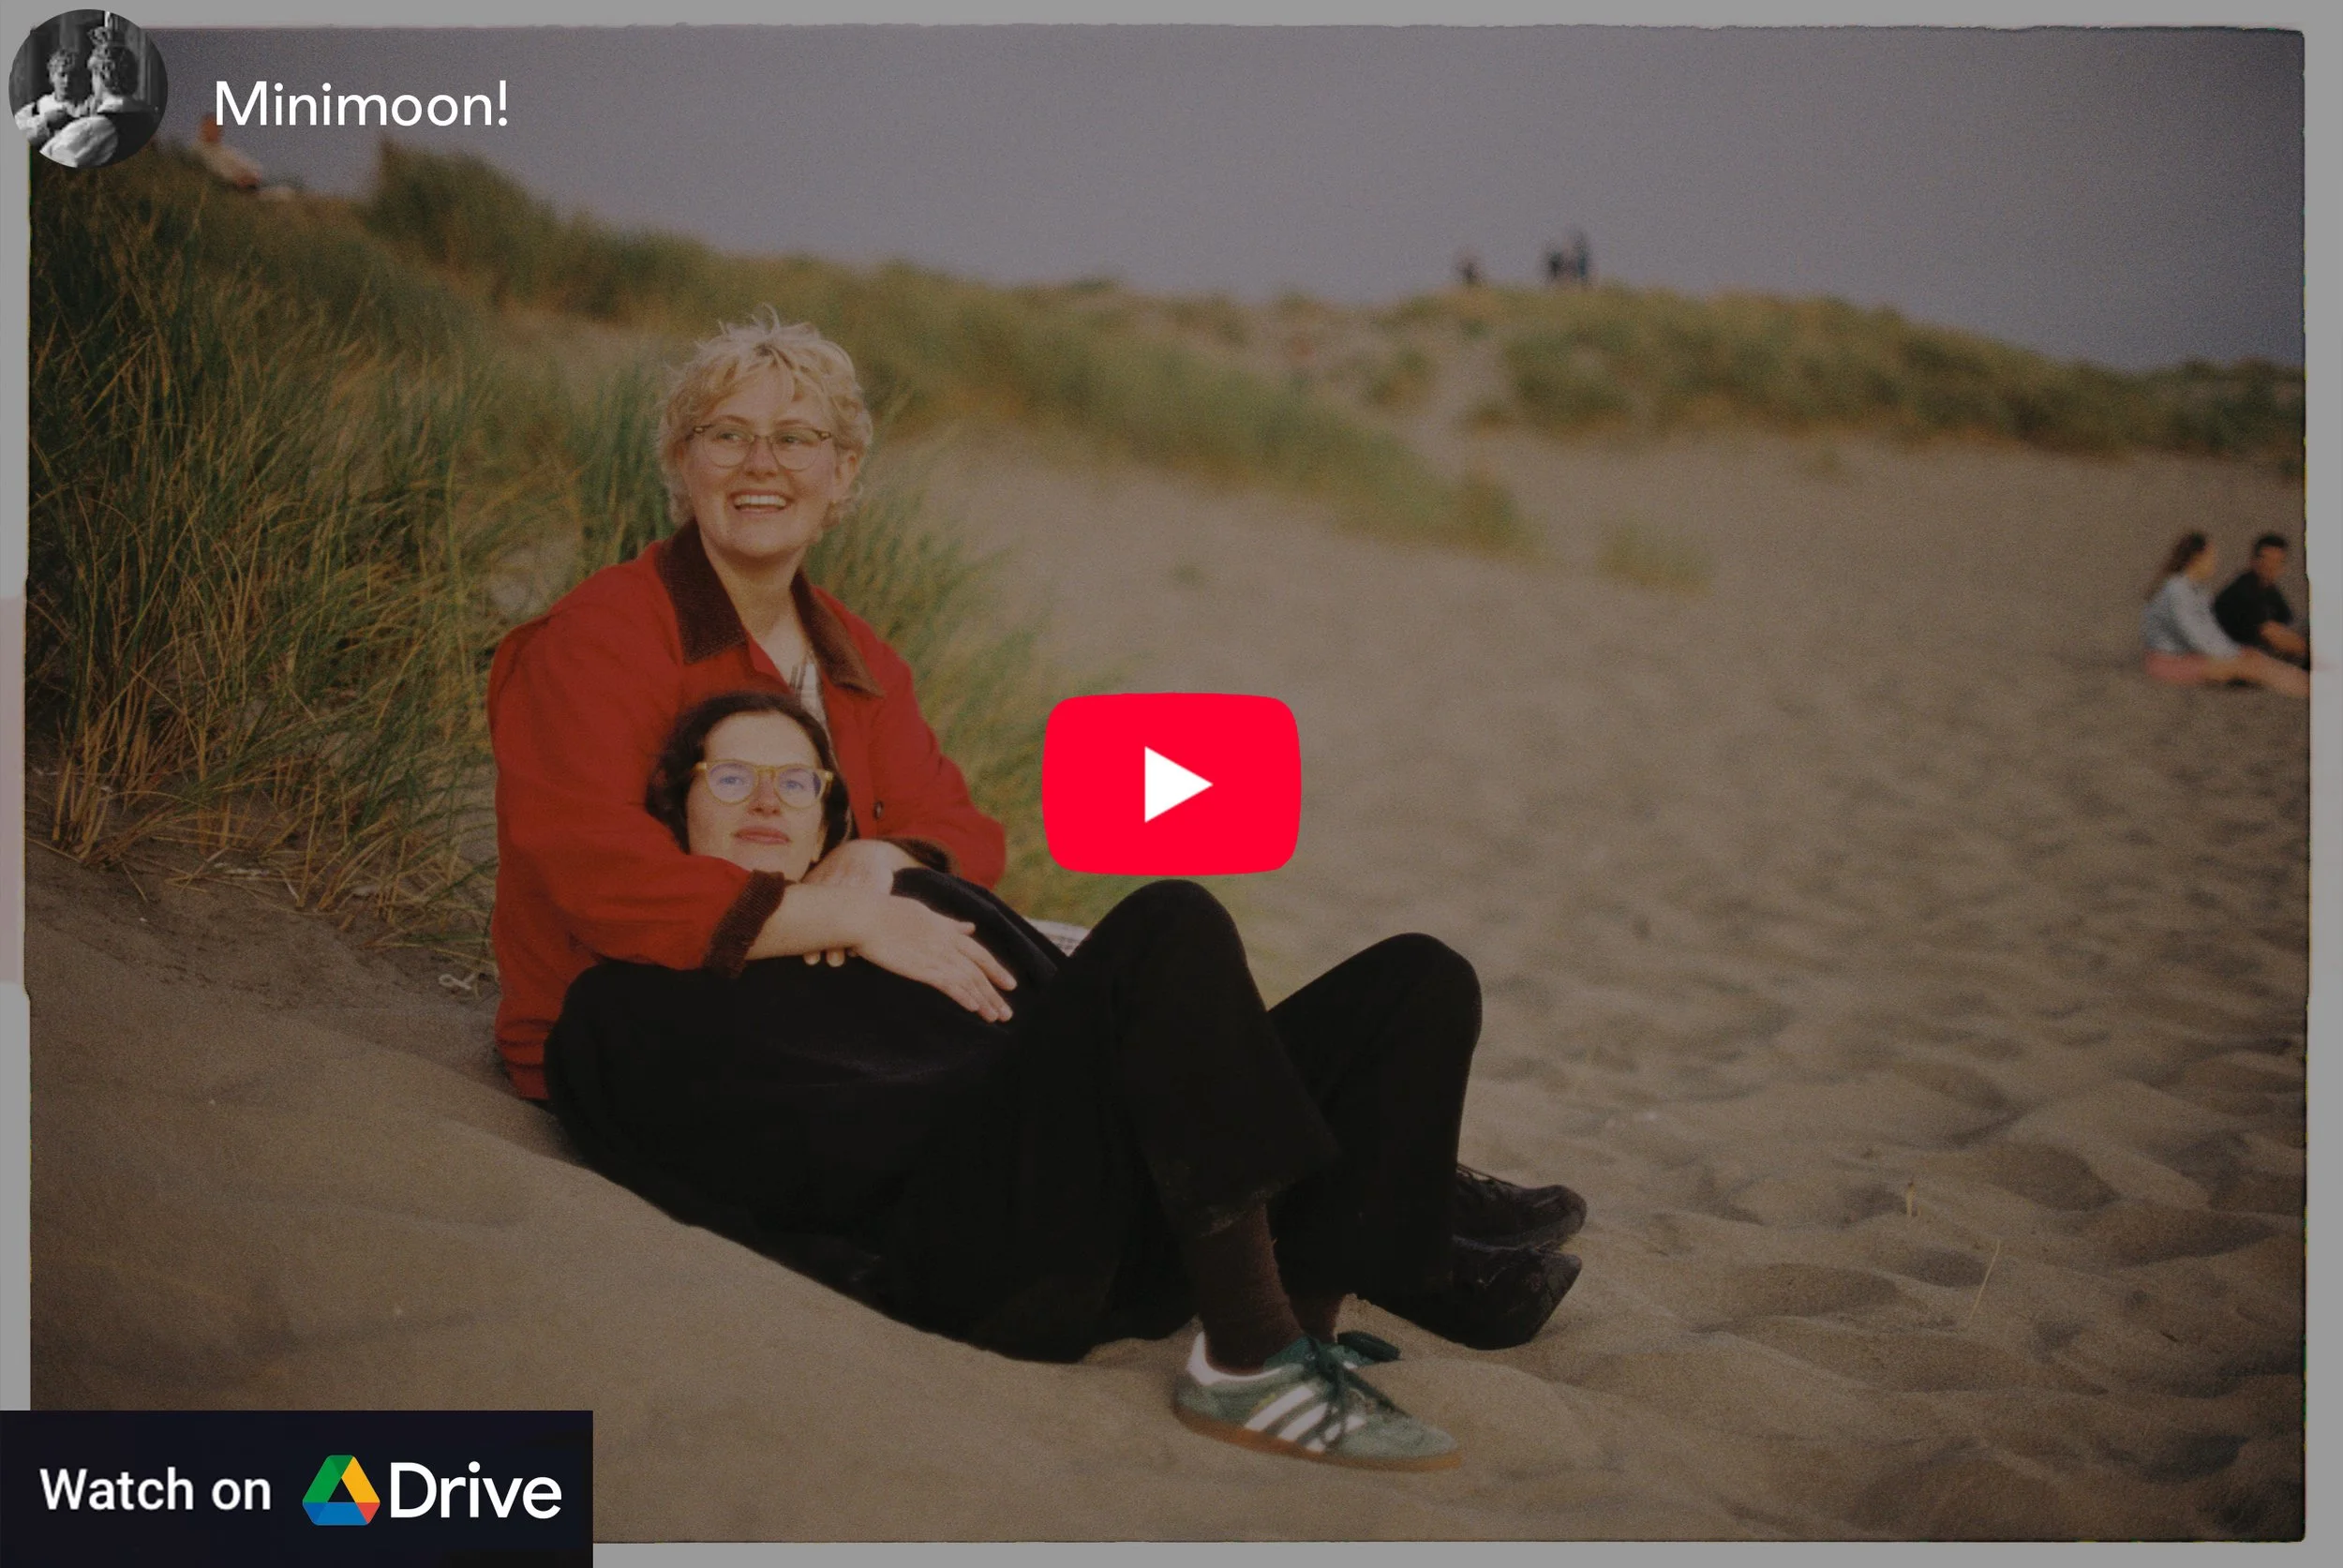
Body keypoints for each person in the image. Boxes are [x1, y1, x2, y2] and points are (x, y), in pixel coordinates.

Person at [544, 688, 1589, 1470]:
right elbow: (687, 1180)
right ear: (675, 809)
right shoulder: (633, 996)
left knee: (1417, 978)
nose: (768, 800)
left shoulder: (913, 902)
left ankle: (1304, 1331)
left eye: (796, 780)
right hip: (961, 1247)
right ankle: (1248, 1360)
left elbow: (1079, 1016)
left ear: (832, 816)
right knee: (1170, 917)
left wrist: (886, 894)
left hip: (1115, 1211)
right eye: (731, 778)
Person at [487, 308, 1007, 1103]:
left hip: (816, 1017)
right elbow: (601, 874)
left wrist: (887, 859)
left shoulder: (859, 658)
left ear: (842, 472)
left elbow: (966, 831)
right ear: (682, 460)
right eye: (728, 435)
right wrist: (846, 917)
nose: (760, 464)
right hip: (628, 1028)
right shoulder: (601, 634)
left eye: (795, 439)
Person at [2140, 531, 2307, 697]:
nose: (2214, 562)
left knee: (2256, 661)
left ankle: (2307, 685)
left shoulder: (2197, 591)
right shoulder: (2176, 591)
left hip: (2192, 656)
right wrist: (2233, 656)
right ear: (2197, 558)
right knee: (2251, 668)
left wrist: (2237, 651)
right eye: (2211, 557)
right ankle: (2307, 690)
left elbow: (2211, 631)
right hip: (2170, 662)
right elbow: (2194, 636)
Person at [38, 27, 158, 169]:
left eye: (92, 76)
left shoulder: (93, 128)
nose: (91, 82)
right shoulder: (149, 118)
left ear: (101, 76)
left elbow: (49, 164)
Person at [2212, 532, 2308, 668]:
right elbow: (2272, 635)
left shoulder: (2268, 589)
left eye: (2277, 562)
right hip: (2230, 659)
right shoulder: (2243, 591)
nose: (2270, 567)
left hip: (2251, 654)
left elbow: (2289, 622)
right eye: (2266, 560)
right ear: (2253, 561)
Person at [12, 48, 88, 151]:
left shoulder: (88, 106)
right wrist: (45, 121)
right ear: (52, 77)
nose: (67, 81)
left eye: (73, 75)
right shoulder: (35, 109)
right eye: (62, 75)